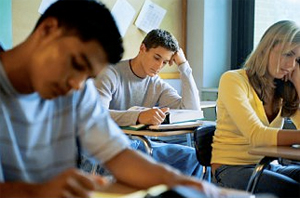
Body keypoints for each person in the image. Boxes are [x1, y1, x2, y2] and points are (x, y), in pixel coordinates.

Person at [0, 0, 225, 197]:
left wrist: (195, 187)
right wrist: (37, 192)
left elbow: (118, 154)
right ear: (48, 30)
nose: (77, 85)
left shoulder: (78, 90)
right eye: (77, 65)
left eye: (88, 76)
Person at [94, 29, 202, 177]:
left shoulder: (156, 83)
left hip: (142, 145)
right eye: (156, 58)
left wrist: (183, 66)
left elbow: (192, 110)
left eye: (164, 62)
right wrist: (138, 116)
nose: (159, 66)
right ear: (142, 48)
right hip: (109, 146)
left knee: (194, 158)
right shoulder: (110, 73)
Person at [211, 20, 300, 198]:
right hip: (230, 169)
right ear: (266, 48)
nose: (291, 65)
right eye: (287, 54)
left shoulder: (284, 87)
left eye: (297, 59)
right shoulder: (233, 80)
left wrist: (298, 84)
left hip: (267, 166)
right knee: (293, 191)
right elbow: (257, 136)